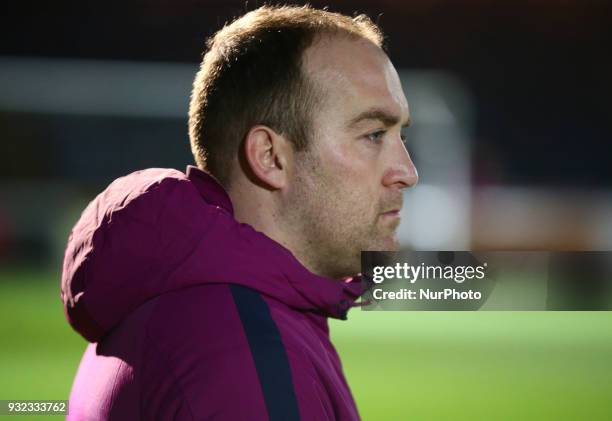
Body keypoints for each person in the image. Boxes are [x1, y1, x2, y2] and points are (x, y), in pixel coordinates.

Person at [61, 4, 418, 420]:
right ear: (269, 156)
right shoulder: (238, 352)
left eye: (400, 135)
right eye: (373, 134)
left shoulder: (195, 305)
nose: (407, 172)